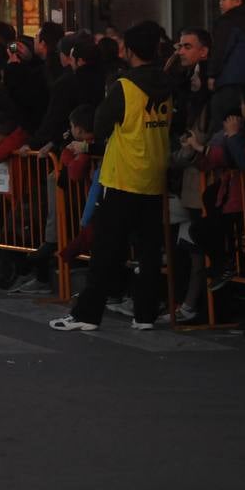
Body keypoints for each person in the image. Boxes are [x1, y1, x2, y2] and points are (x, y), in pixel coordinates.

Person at [51, 21, 172, 333]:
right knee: (148, 251)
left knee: (106, 249)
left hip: (122, 176)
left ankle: (87, 314)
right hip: (155, 176)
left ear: (129, 51)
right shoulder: (168, 84)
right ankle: (145, 314)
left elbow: (101, 125)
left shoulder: (124, 87)